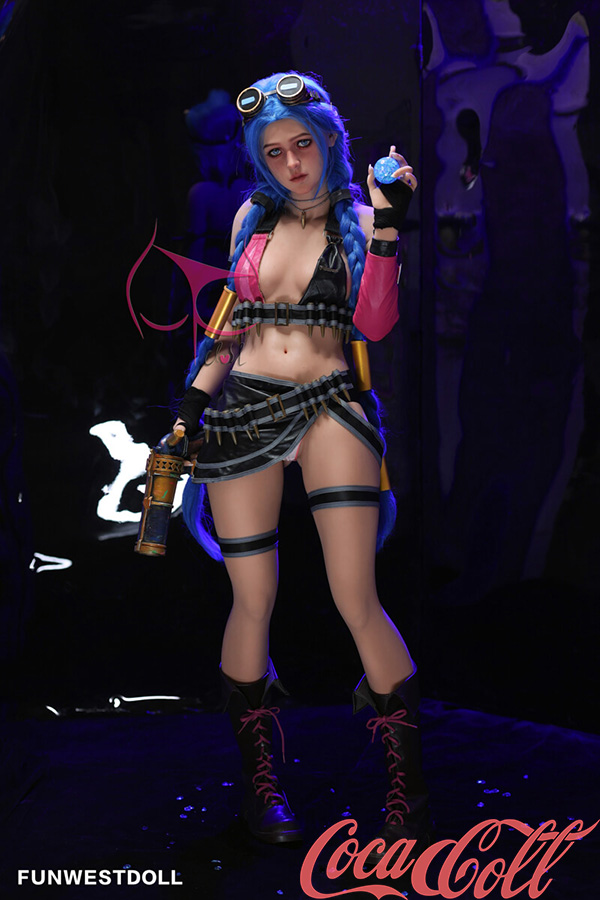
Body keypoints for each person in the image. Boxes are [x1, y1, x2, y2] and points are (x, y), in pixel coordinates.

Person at [166, 72, 431, 854]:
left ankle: (408, 791)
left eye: (302, 145)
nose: (291, 164)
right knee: (252, 597)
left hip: (330, 403)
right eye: (274, 152)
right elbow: (229, 324)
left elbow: (374, 325)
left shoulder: (361, 220)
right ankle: (263, 788)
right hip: (242, 405)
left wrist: (388, 223)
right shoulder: (250, 217)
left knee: (356, 596)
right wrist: (188, 409)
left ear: (329, 141)